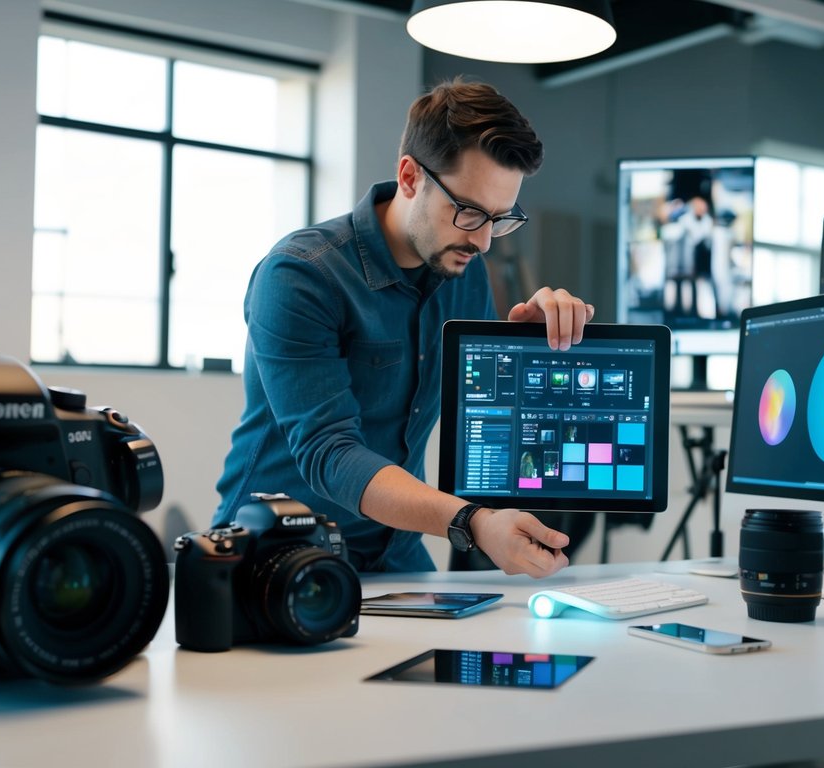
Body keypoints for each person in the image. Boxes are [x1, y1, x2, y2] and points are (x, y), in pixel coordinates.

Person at [213, 78, 594, 579]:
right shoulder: (301, 274)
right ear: (410, 177)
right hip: (278, 550)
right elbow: (330, 453)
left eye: (499, 220)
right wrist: (472, 523)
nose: (482, 242)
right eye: (469, 212)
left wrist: (529, 353)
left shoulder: (463, 268)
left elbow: (482, 422)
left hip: (396, 554)